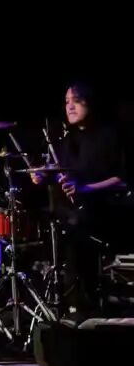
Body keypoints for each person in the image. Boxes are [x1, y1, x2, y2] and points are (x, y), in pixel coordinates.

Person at [32, 82, 129, 321]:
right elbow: (60, 173)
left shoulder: (111, 135)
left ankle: (83, 305)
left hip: (108, 210)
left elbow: (124, 179)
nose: (70, 107)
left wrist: (85, 189)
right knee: (47, 222)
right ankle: (58, 301)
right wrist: (43, 175)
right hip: (78, 214)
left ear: (91, 103)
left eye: (76, 100)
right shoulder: (68, 141)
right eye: (67, 101)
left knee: (74, 229)